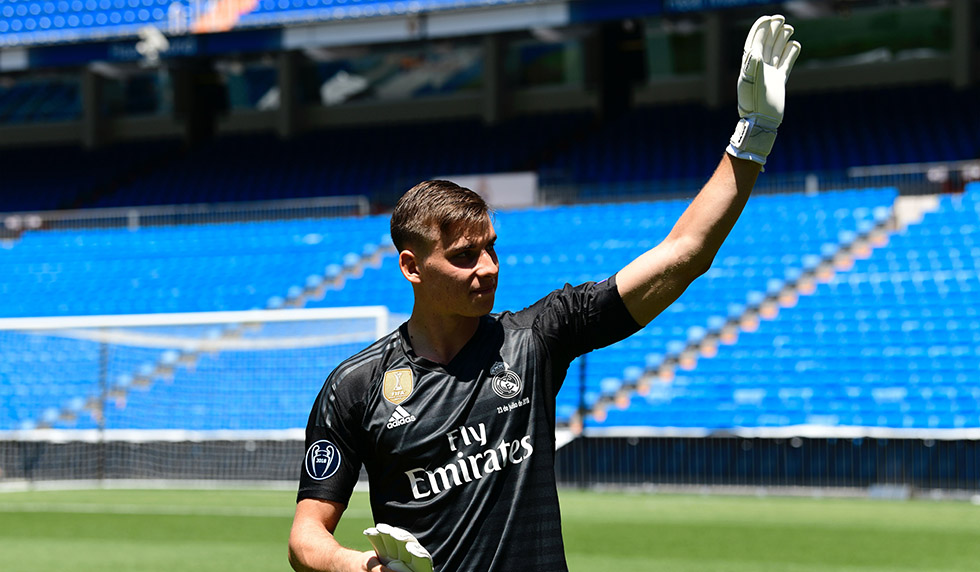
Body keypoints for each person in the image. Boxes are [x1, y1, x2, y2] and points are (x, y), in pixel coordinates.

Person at [289, 14, 801, 572]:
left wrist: (753, 136)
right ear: (412, 267)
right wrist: (357, 567)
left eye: (491, 249)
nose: (487, 268)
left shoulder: (535, 339)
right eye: (463, 257)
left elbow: (684, 256)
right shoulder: (355, 386)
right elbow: (307, 535)